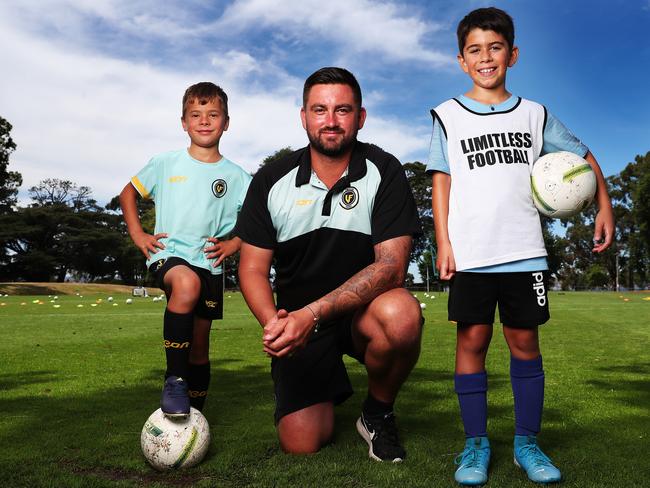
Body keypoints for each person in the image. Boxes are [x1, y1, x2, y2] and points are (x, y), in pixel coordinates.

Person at [428, 7, 614, 485]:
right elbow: (441, 182)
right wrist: (443, 242)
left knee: (524, 343)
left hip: (524, 250)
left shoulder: (535, 113)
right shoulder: (447, 115)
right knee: (472, 341)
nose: (485, 57)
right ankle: (475, 446)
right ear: (461, 60)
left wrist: (605, 206)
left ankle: (527, 444)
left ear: (512, 54)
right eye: (475, 50)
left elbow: (583, 156)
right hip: (471, 252)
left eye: (495, 48)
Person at [236, 67, 423, 462]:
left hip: (361, 315)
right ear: (303, 116)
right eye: (320, 110)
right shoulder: (272, 179)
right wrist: (277, 327)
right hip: (298, 325)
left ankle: (377, 412)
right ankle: (322, 385)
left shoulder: (383, 170)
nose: (331, 121)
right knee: (302, 443)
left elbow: (391, 267)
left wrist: (313, 314)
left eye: (343, 110)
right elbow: (252, 269)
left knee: (402, 315)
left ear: (361, 117)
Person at [120, 82, 251, 417]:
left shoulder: (237, 177)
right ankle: (174, 380)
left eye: (213, 115)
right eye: (196, 114)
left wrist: (234, 243)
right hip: (169, 254)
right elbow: (128, 193)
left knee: (200, 346)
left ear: (226, 122)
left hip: (210, 264)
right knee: (186, 284)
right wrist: (138, 235)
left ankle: (194, 416)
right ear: (183, 122)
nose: (204, 121)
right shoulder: (166, 163)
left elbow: (256, 220)